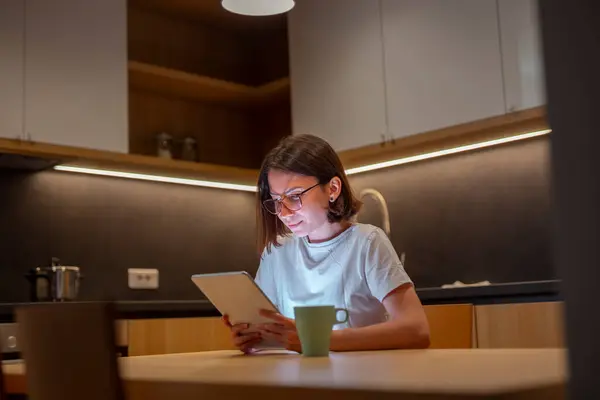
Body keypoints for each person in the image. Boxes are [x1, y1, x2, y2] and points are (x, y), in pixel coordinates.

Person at [223, 134, 430, 353]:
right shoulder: (277, 252)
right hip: (294, 381)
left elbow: (417, 330)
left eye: (294, 196)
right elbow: (272, 336)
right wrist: (252, 338)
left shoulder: (367, 243)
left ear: (332, 188)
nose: (282, 213)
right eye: (276, 200)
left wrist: (317, 339)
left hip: (360, 380)